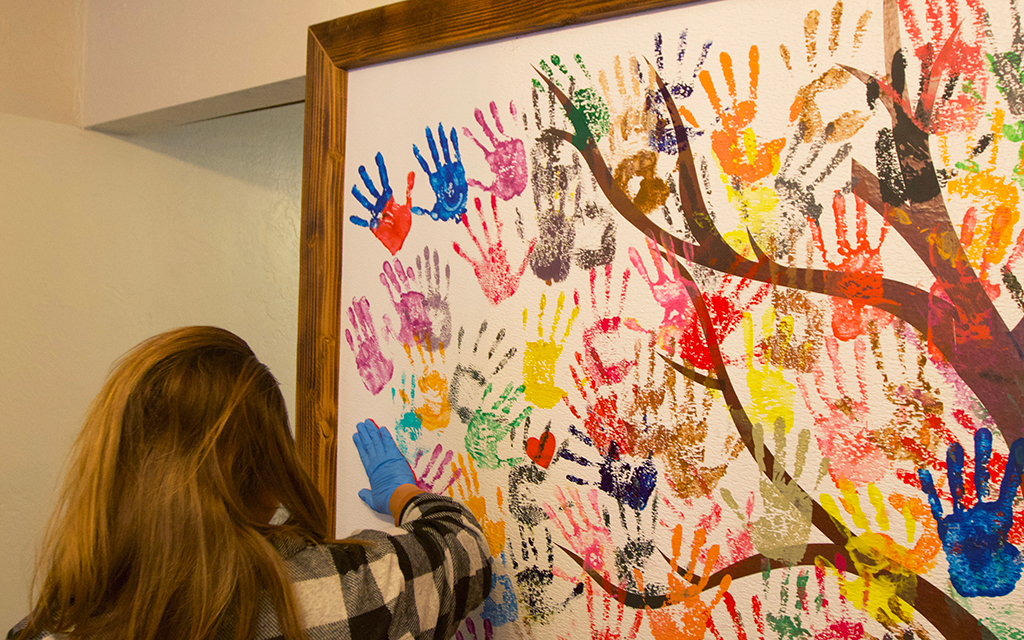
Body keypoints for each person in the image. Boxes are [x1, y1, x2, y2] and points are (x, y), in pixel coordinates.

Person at [7, 326, 491, 640]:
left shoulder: (48, 627)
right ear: (265, 475)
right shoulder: (327, 596)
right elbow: (467, 546)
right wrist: (402, 495)